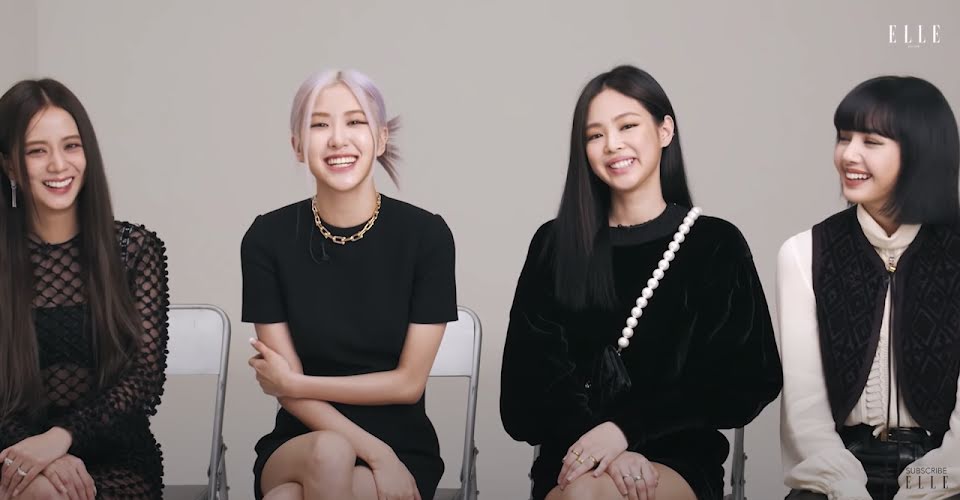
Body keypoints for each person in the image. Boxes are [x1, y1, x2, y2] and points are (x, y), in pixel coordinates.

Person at [500, 64, 783, 500]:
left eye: (627, 125)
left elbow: (748, 379)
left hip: (679, 460)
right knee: (587, 492)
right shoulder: (554, 244)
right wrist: (603, 449)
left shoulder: (715, 244)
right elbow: (525, 390)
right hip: (572, 456)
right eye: (595, 135)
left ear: (665, 130)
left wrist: (625, 431)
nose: (612, 144)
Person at [241, 69, 458, 500]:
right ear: (297, 146)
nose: (338, 139)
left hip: (403, 444)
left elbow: (408, 384)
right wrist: (377, 455)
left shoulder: (426, 237)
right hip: (302, 442)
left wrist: (295, 383)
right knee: (330, 451)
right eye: (319, 125)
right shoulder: (267, 238)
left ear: (381, 138)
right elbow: (288, 391)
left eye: (355, 122)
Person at [778, 75, 960, 500]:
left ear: (919, 152)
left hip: (946, 474)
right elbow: (804, 414)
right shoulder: (803, 253)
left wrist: (922, 488)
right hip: (839, 472)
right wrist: (844, 486)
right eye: (844, 138)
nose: (848, 154)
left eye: (871, 142)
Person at [0, 78, 169, 500]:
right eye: (37, 151)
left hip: (116, 457)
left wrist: (60, 439)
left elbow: (143, 380)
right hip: (12, 449)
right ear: (10, 166)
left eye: (71, 146)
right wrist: (39, 453)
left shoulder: (133, 250)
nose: (59, 165)